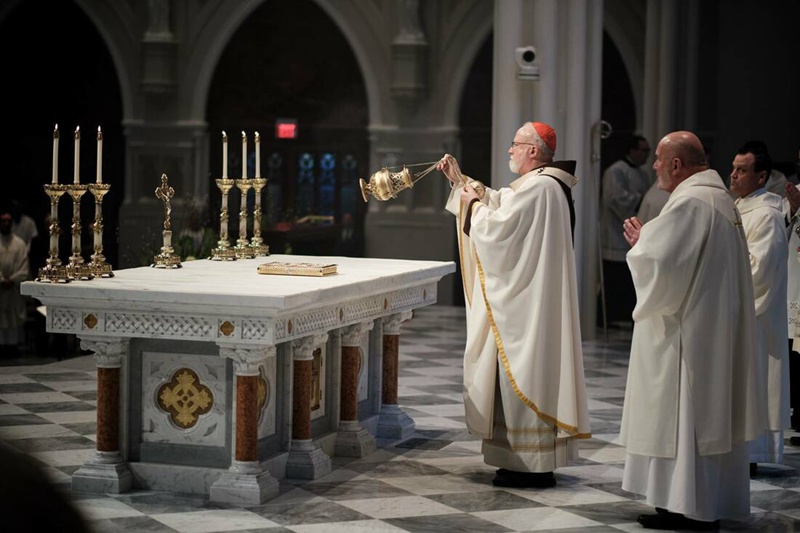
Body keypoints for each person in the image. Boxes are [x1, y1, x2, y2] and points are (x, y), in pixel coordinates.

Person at [620, 131, 764, 530]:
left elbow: (664, 267)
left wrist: (640, 241)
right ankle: (682, 503)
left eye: (659, 161)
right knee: (700, 426)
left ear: (677, 165)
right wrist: (650, 242)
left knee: (687, 423)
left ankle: (690, 509)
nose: (654, 167)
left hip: (690, 340)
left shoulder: (691, 203)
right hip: (709, 331)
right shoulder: (719, 200)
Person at [437, 121, 590, 489]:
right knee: (517, 378)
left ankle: (533, 466)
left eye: (515, 144)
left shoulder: (541, 188)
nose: (510, 150)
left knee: (525, 374)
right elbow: (502, 204)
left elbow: (498, 230)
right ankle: (520, 462)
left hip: (528, 306)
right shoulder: (540, 187)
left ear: (534, 151)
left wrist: (470, 203)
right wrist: (462, 184)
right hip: (530, 300)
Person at [729, 142, 789, 472]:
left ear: (761, 175)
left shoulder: (766, 214)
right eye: (733, 168)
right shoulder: (741, 205)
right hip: (741, 313)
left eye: (741, 170)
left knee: (757, 384)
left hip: (756, 318)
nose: (733, 175)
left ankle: (752, 455)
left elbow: (759, 270)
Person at [600, 134, 652, 327]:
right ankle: (614, 317)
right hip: (615, 234)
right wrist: (641, 199)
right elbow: (615, 199)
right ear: (632, 150)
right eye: (644, 150)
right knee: (616, 279)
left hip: (632, 231)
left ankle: (624, 315)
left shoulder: (643, 173)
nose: (647, 155)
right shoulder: (616, 171)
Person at [0, 207, 30, 358]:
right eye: (3, 221)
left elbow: (23, 266)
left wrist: (11, 280)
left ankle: (12, 348)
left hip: (12, 289)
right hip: (1, 290)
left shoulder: (19, 244)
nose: (6, 224)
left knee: (12, 320)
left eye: (8, 221)